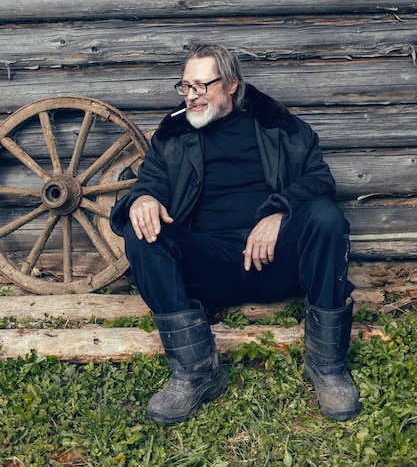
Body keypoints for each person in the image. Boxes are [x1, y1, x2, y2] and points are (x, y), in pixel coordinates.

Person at [110, 43, 361, 424]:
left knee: (326, 217)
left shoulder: (281, 127)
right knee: (142, 230)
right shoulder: (173, 135)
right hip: (211, 266)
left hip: (279, 263)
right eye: (185, 86)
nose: (192, 96)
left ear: (231, 84)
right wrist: (142, 198)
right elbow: (151, 182)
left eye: (201, 86)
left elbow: (320, 179)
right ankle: (197, 373)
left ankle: (327, 366)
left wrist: (278, 211)